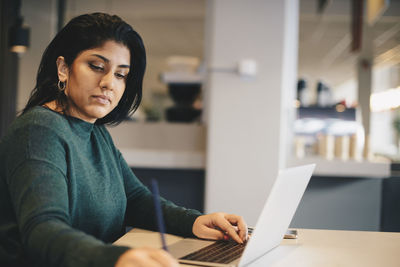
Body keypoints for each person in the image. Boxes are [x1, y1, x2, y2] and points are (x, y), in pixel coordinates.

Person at [0, 13, 248, 267]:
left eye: (121, 75)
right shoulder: (37, 131)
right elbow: (43, 231)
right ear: (64, 68)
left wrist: (194, 221)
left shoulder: (96, 133)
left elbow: (135, 199)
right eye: (96, 67)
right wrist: (117, 258)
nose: (109, 83)